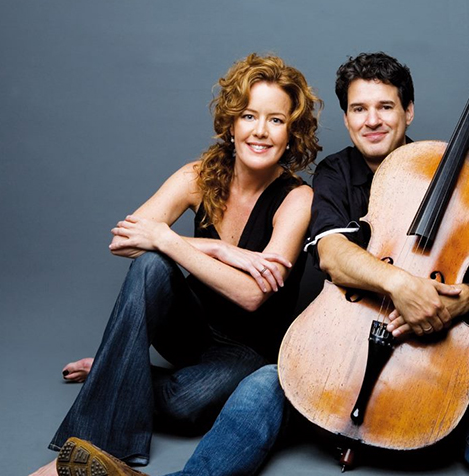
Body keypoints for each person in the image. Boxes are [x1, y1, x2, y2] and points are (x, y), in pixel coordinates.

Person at [52, 57, 469, 476]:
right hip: (337, 346)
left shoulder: (453, 177)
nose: (371, 120)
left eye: (385, 108)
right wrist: (397, 282)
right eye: (358, 109)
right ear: (346, 116)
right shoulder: (333, 175)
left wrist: (455, 302)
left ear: (407, 112)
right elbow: (332, 253)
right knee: (263, 385)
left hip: (433, 358)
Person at [30, 53, 321, 476]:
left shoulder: (297, 199)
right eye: (248, 116)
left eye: (276, 120)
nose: (260, 131)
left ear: (292, 132)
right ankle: (85, 451)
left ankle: (119, 369)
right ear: (231, 123)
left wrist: (170, 239)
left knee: (187, 407)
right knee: (150, 265)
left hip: (246, 350)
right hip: (190, 328)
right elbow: (123, 242)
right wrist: (218, 250)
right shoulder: (198, 177)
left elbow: (253, 294)